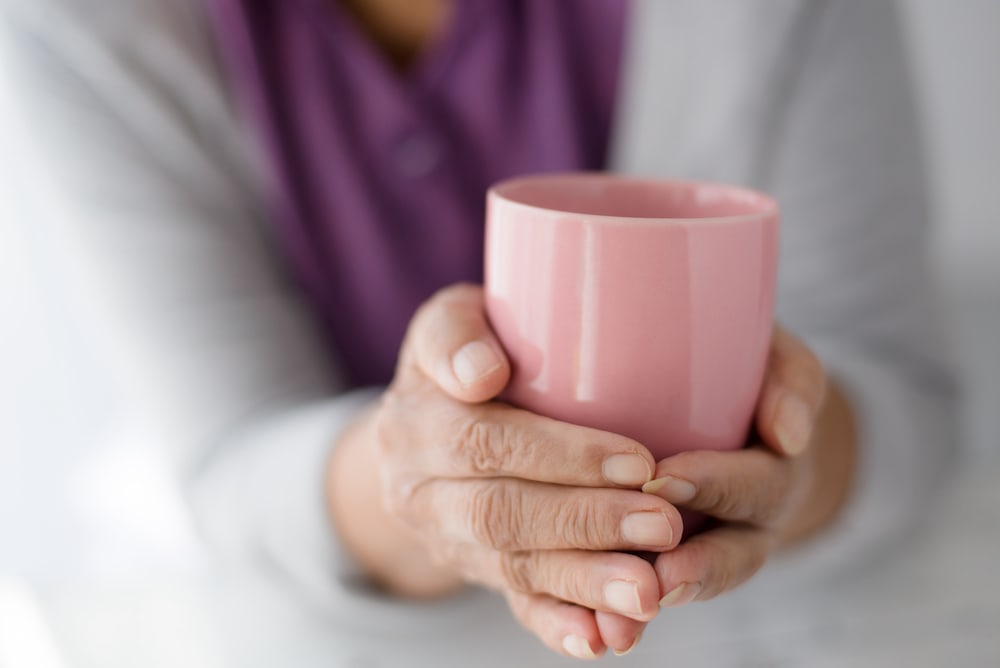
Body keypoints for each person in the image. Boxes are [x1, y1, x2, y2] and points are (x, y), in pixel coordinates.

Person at [2, 0, 956, 661]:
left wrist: (797, 463)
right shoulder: (86, 32)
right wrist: (420, 485)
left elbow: (905, 403)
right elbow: (229, 466)